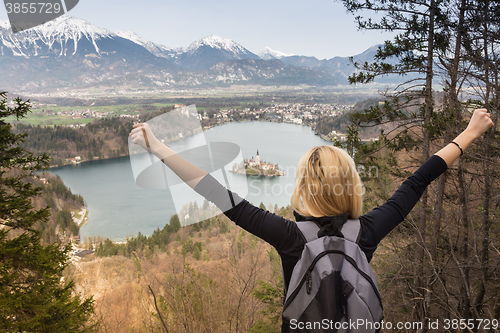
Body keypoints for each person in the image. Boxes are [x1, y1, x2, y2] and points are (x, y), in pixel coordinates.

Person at [129, 108, 494, 331]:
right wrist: (469, 133)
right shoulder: (366, 233)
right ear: (350, 184)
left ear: (303, 185)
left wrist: (159, 147)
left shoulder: (289, 237)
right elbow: (418, 181)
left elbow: (217, 193)